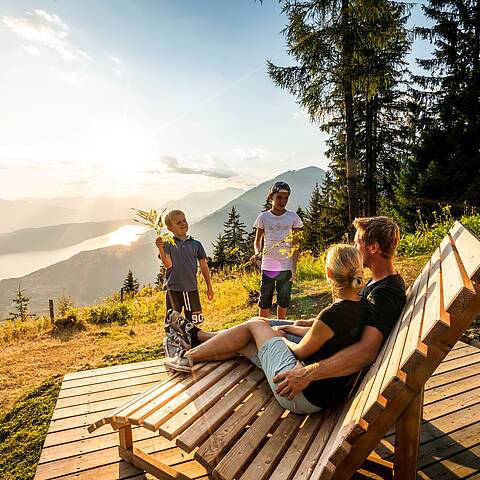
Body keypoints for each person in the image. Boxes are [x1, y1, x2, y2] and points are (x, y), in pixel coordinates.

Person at [165, 244, 370, 414]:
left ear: (328, 274)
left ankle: (187, 356)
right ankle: (199, 341)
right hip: (322, 394)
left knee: (257, 323)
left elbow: (300, 351)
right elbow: (325, 336)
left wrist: (281, 338)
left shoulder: (333, 313)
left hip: (298, 392)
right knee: (244, 344)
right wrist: (291, 328)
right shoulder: (362, 305)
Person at [272, 216, 406, 400]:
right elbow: (352, 317)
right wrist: (312, 322)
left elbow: (367, 351)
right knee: (260, 324)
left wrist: (308, 373)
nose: (354, 247)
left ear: (373, 247)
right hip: (326, 346)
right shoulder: (379, 282)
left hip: (321, 381)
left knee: (256, 328)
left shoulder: (385, 294)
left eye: (357, 242)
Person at [156, 209, 214, 355]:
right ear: (170, 228)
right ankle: (173, 345)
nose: (183, 224)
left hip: (191, 288)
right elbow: (168, 264)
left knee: (192, 320)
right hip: (173, 288)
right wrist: (161, 249)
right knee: (172, 319)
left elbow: (204, 266)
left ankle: (194, 347)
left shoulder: (196, 244)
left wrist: (209, 286)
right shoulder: (168, 244)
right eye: (178, 222)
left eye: (184, 220)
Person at [250, 181, 303, 320]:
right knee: (265, 299)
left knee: (284, 299)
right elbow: (257, 241)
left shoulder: (293, 218)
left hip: (286, 266)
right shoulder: (263, 217)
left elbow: (296, 244)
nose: (283, 201)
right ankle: (262, 327)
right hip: (268, 265)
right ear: (271, 197)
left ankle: (281, 327)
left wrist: (294, 266)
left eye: (286, 198)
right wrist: (257, 253)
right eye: (279, 197)